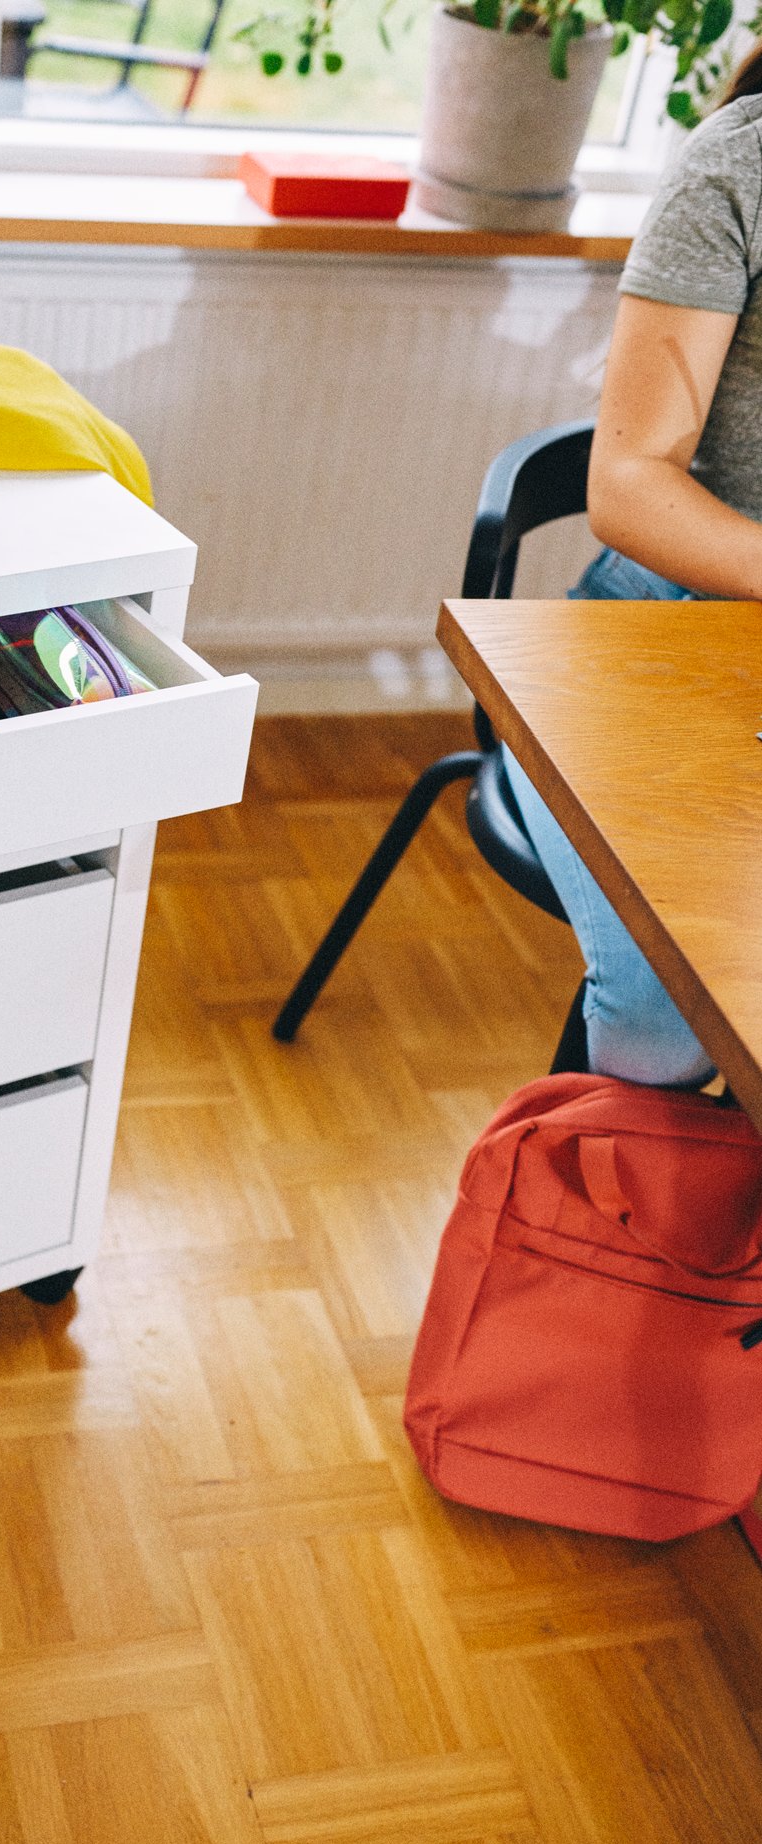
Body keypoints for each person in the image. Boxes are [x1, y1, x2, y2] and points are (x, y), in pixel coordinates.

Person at [503, 47, 762, 1089]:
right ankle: (623, 1235)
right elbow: (626, 483)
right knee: (671, 1005)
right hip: (652, 643)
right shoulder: (738, 169)